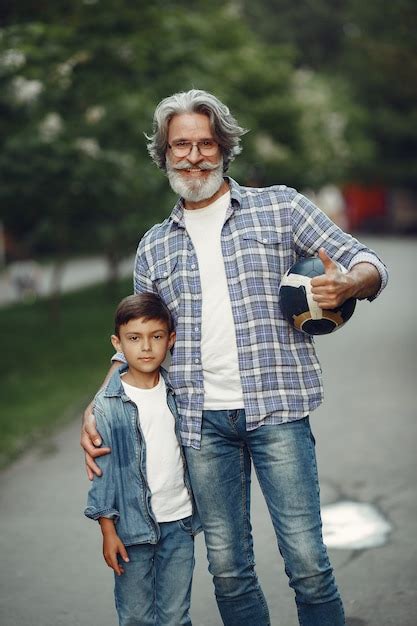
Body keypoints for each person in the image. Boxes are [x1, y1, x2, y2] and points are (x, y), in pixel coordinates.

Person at [81, 89, 388, 626]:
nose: (194, 155)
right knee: (228, 570)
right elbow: (140, 344)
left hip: (279, 414)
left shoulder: (281, 207)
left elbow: (366, 260)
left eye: (205, 143)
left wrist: (352, 283)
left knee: (308, 563)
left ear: (224, 147)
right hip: (201, 428)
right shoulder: (154, 245)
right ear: (165, 154)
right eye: (181, 145)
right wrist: (99, 402)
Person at [84, 292, 200, 626]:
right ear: (117, 344)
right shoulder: (108, 405)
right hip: (130, 530)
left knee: (176, 616)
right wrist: (108, 530)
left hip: (179, 522)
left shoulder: (178, 393)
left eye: (156, 337)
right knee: (136, 616)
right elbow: (102, 471)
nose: (146, 348)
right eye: (135, 339)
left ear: (170, 340)